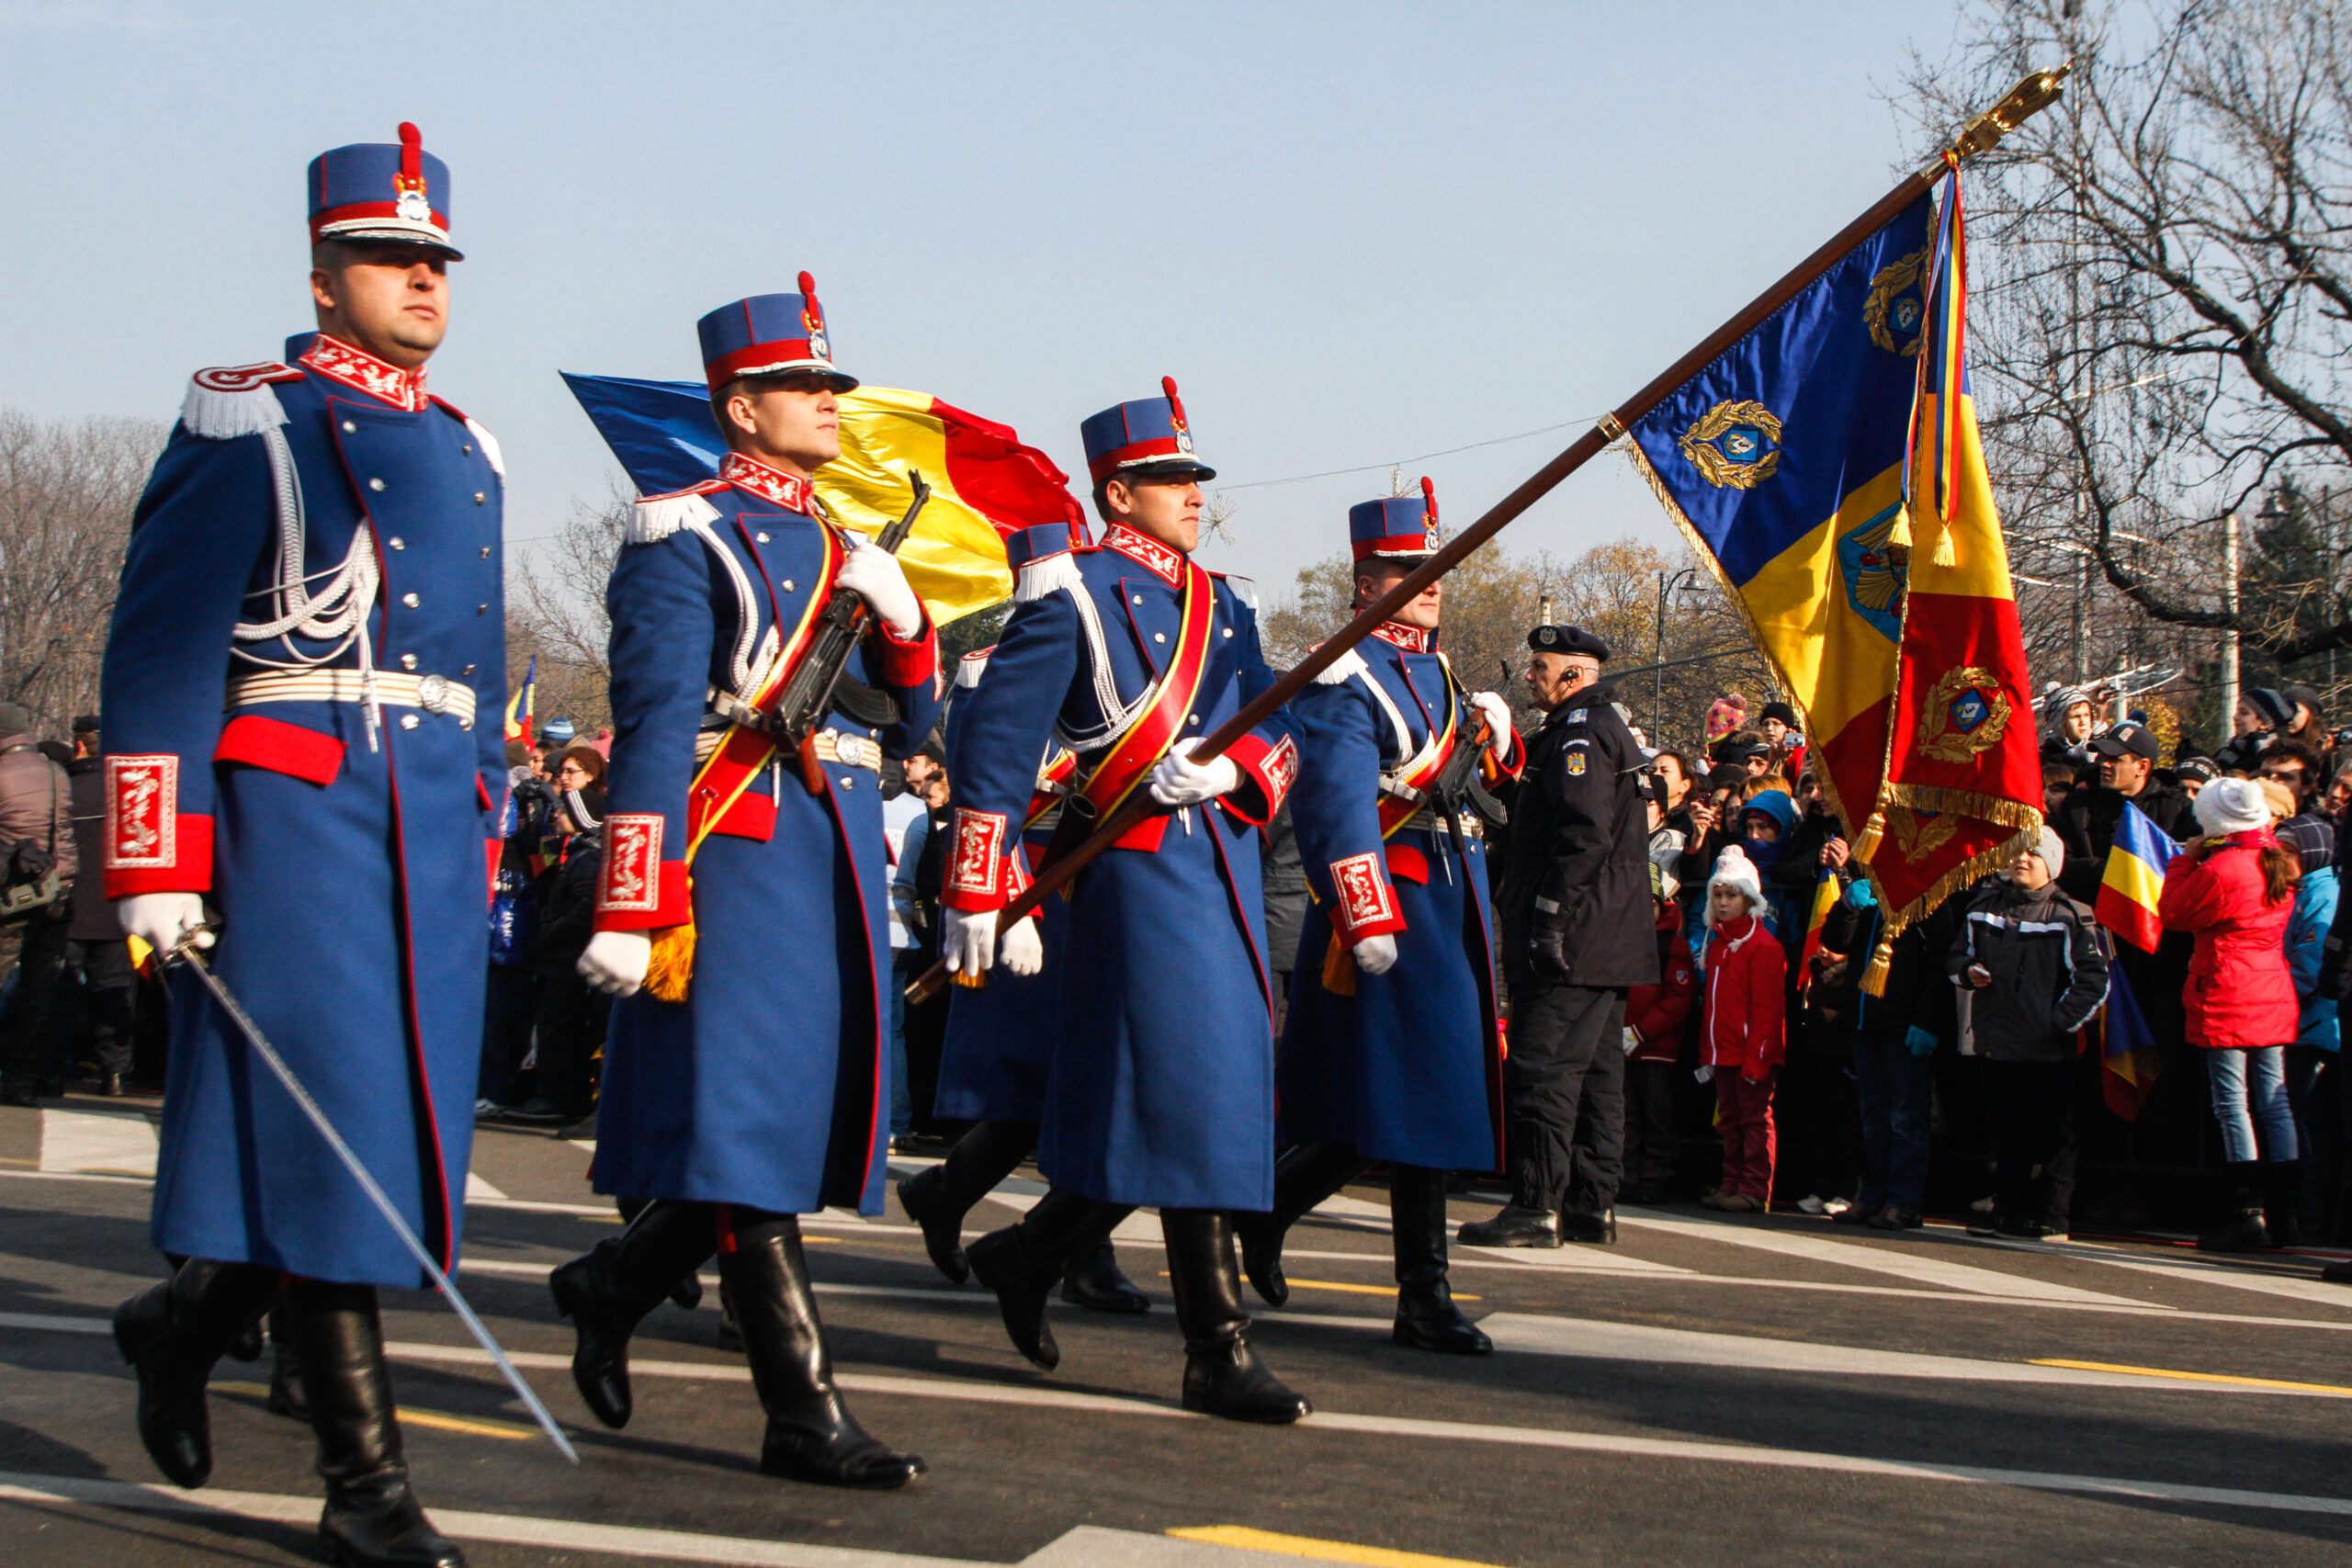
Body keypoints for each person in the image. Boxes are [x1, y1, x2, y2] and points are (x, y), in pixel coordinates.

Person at [102, 124, 503, 1568]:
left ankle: (184, 1317)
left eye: (435, 260)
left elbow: (479, 666)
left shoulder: (467, 445)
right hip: (301, 803)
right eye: (390, 256)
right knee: (331, 1119)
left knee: (378, 1129)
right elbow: (155, 655)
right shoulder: (249, 417)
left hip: (430, 815)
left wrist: (489, 813)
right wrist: (158, 853)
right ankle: (367, 1484)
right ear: (323, 271)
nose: (421, 281)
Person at [553, 280, 934, 1488]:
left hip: (826, 847)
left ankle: (609, 1280)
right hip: (729, 845)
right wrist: (633, 890)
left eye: (832, 385)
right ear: (742, 404)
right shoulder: (684, 530)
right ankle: (802, 1406)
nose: (830, 404)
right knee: (744, 1127)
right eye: (806, 388)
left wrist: (909, 624)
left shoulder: (845, 547)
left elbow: (916, 719)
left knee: (786, 1123)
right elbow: (658, 723)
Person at [937, 379, 1310, 1423]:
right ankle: (1215, 1348)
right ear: (1119, 490)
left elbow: (1271, 726)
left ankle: (1028, 1252)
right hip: (1136, 874)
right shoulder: (1073, 592)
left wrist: (1238, 777)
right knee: (1192, 1093)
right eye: (1172, 479)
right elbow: (998, 743)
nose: (1194, 496)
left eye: (1196, 479)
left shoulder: (1223, 604)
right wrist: (983, 875)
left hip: (1220, 866)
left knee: (1207, 1093)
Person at [1230, 480, 1520, 1350]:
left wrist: (1499, 740)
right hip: (1394, 905)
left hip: (1449, 893)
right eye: (1404, 566)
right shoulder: (1345, 670)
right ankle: (1420, 1295)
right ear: (1365, 580)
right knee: (1407, 1097)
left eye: (1432, 564)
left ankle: (1270, 1215)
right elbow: (1338, 805)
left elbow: (1465, 790)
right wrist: (1367, 915)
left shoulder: (1438, 666)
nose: (1427, 579)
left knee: (1407, 1096)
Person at [899, 635, 1150, 1315]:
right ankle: (1077, 1253)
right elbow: (986, 794)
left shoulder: (1119, 658)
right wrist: (1010, 902)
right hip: (1027, 889)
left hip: (1089, 880)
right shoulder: (994, 664)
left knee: (1074, 1079)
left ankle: (947, 1195)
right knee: (1042, 1080)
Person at [1461, 623, 1657, 1247]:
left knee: (1542, 1070)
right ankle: (1590, 1204)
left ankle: (1536, 1204)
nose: (1530, 677)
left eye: (1541, 667)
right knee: (1598, 1077)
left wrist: (1550, 913)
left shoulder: (1580, 734)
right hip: (1605, 936)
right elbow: (1544, 811)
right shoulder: (1596, 730)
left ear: (1574, 673)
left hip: (1573, 935)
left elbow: (1582, 833)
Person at [2158, 777, 2303, 1252]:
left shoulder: (2225, 869)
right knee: (2275, 1102)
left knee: (2231, 1105)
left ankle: (2246, 1210)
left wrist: (2185, 860)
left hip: (2227, 988)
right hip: (2272, 987)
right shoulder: (2279, 860)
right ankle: (2287, 1212)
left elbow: (2175, 912)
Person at [1950, 831, 2110, 1239]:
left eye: (2033, 855)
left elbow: (2094, 981)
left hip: (2048, 1051)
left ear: (2051, 865)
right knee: (2007, 1132)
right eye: (2017, 853)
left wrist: (2056, 1024)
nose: (2022, 860)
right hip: (1997, 1042)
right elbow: (1954, 957)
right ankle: (2008, 1208)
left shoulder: (2069, 915)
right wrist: (1968, 970)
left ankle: (2050, 1215)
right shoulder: (1982, 908)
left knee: (2054, 1136)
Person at [1836, 882, 1960, 1230]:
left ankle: (1903, 1200)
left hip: (1901, 1025)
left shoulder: (1929, 897)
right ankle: (1870, 1194)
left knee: (1905, 1116)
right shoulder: (1873, 892)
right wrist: (1846, 907)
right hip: (1865, 1021)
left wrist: (1926, 1021)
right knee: (1870, 1114)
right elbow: (1837, 942)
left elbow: (1939, 964)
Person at [502, 785, 605, 1130]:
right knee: (554, 1029)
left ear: (580, 818)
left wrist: (548, 932)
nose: (556, 816)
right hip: (560, 960)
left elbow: (584, 908)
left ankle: (559, 1098)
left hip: (568, 963)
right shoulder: (573, 851)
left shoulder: (588, 858)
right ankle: (552, 1096)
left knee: (561, 1032)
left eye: (563, 811)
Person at [1694, 847, 1786, 1212]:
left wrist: (1758, 1058)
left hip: (1750, 1053)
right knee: (1728, 1121)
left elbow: (1767, 1011)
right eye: (1717, 895)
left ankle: (1753, 1188)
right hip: (1724, 1051)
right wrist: (1709, 1053)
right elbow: (1714, 1007)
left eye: (1731, 895)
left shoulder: (1764, 947)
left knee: (1754, 1119)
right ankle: (1731, 1183)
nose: (1723, 902)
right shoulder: (1717, 943)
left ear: (1749, 899)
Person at [0, 701, 78, 1106]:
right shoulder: (56, 771)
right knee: (40, 988)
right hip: (57, 889)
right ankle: (26, 1078)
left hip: (11, 895)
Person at [62, 714, 135, 1096]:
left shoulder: (63, 787)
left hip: (67, 909)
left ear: (78, 745)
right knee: (113, 992)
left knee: (61, 990)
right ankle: (114, 1072)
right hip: (115, 910)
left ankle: (53, 1067)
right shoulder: (126, 792)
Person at [2278, 814, 2339, 1242]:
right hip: (2300, 1023)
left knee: (2307, 1122)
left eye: (2290, 851)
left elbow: (2311, 967)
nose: (2281, 858)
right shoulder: (2304, 891)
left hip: (2316, 1028)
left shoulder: (2324, 894)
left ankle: (2310, 1214)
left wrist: (2273, 994)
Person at [1621, 874, 1699, 1204]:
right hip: (1623, 1047)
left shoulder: (1672, 945)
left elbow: (1677, 1000)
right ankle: (1626, 1175)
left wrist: (1640, 1032)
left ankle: (1656, 1177)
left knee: (1656, 1116)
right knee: (1625, 1116)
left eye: (1649, 905)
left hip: (1656, 1049)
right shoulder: (1620, 939)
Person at [2216, 688, 2293, 774]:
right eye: (2237, 711)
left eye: (2244, 713)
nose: (2235, 717)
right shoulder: (2229, 751)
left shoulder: (2276, 754)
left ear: (2264, 723)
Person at [2040, 685, 2098, 768]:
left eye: (2086, 715)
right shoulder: (2049, 760)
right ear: (2059, 723)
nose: (2083, 722)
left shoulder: (2102, 748)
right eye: (2076, 716)